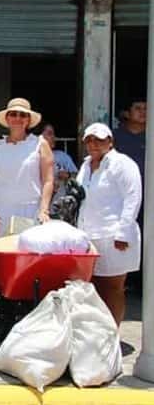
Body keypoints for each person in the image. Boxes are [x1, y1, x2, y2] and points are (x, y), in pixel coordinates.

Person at [0, 98, 54, 294]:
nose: (17, 118)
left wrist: (44, 209)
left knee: (26, 263)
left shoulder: (40, 144)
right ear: (7, 118)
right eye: (13, 114)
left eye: (22, 115)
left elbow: (49, 180)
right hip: (0, 213)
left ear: (28, 120)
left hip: (29, 212)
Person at [76, 123, 142, 326]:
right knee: (93, 287)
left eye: (99, 139)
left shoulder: (122, 163)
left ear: (110, 141)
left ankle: (113, 334)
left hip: (113, 236)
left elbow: (133, 197)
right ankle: (99, 334)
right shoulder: (86, 165)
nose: (94, 144)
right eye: (89, 140)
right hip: (88, 234)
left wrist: (123, 233)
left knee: (113, 288)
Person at [113, 98, 146, 291]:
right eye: (138, 108)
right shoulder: (116, 138)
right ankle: (126, 282)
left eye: (146, 109)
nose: (143, 112)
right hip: (121, 198)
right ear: (127, 113)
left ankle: (144, 283)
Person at [39, 122, 78, 208]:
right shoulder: (33, 160)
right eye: (49, 134)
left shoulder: (62, 156)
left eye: (54, 134)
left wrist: (68, 175)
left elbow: (78, 177)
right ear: (39, 137)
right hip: (38, 208)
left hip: (60, 210)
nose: (53, 137)